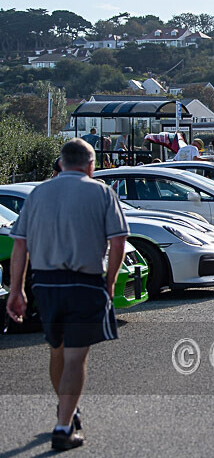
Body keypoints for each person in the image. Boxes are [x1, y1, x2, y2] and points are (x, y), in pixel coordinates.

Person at [6, 138, 129, 450]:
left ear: (60, 164)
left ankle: (67, 410)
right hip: (83, 282)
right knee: (76, 356)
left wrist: (17, 289)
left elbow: (19, 244)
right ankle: (64, 426)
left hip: (45, 284)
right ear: (91, 166)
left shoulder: (38, 193)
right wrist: (110, 281)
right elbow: (118, 242)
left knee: (57, 351)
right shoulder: (102, 192)